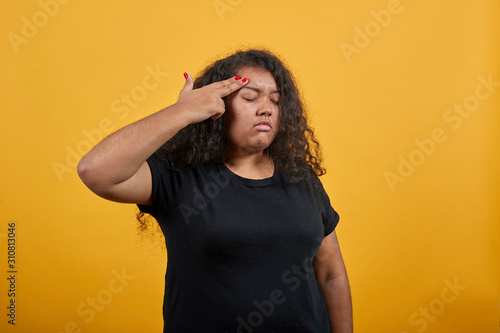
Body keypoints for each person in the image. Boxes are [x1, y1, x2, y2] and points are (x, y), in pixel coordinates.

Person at [78, 49, 353, 332]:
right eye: (250, 97)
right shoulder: (180, 175)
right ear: (217, 107)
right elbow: (95, 171)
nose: (266, 108)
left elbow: (331, 273)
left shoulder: (300, 176)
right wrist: (181, 111)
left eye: (275, 99)